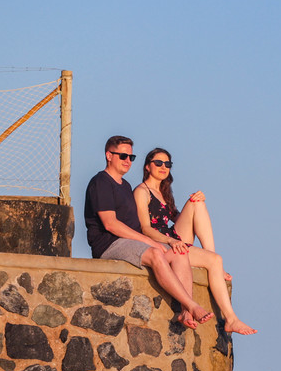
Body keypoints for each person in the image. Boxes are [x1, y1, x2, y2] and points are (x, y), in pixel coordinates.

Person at [84, 135, 212, 329]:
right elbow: (111, 224)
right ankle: (192, 305)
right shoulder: (101, 182)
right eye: (123, 156)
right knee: (154, 253)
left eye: (131, 157)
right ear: (109, 156)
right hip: (110, 244)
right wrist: (150, 242)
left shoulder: (125, 186)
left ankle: (185, 312)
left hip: (131, 242)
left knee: (179, 252)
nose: (128, 161)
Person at [134, 147, 256, 335]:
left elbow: (175, 217)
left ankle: (212, 255)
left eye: (167, 164)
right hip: (162, 242)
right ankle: (231, 319)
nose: (163, 167)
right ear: (148, 167)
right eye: (158, 163)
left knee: (197, 202)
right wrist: (171, 241)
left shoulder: (164, 192)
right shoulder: (142, 192)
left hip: (173, 236)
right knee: (215, 261)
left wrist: (194, 201)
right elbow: (145, 228)